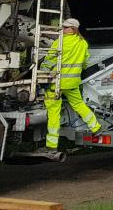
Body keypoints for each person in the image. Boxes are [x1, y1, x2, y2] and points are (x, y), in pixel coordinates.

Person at [41, 18, 101, 155]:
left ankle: (51, 145)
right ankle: (96, 127)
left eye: (65, 27)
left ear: (73, 29)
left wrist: (42, 73)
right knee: (79, 105)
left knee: (53, 112)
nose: (62, 29)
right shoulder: (82, 43)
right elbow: (85, 62)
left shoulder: (59, 42)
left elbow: (49, 60)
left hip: (57, 83)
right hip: (73, 83)